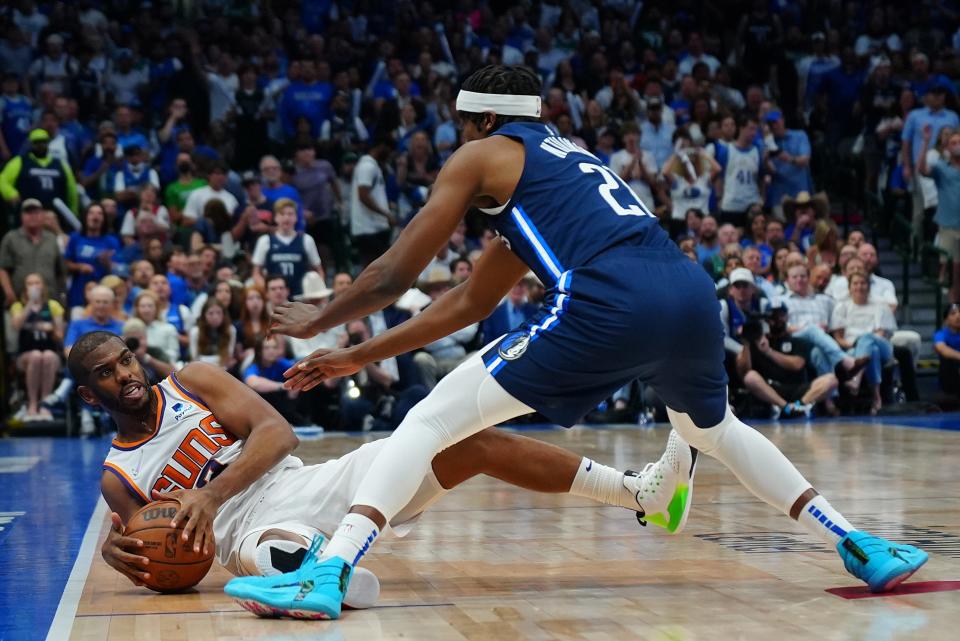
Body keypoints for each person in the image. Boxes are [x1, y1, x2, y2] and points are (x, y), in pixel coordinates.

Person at [259, 65, 925, 618]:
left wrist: (318, 320)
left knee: (429, 419)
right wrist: (355, 355)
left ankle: (329, 568)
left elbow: (395, 273)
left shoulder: (483, 154)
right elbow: (468, 301)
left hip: (611, 301)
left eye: (463, 125)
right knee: (717, 430)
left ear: (484, 120)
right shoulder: (562, 167)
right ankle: (856, 540)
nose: (457, 138)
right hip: (690, 293)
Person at [78, 330, 687, 609]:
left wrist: (208, 495)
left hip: (301, 480)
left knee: (469, 440)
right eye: (107, 373)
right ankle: (327, 576)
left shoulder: (194, 381)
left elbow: (277, 433)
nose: (126, 375)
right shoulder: (118, 476)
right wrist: (129, 559)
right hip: (243, 536)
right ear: (88, 395)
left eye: (126, 359)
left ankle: (638, 492)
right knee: (273, 558)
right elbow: (174, 563)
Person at [735, 302, 839, 419]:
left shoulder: (797, 339)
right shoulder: (758, 341)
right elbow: (743, 371)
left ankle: (797, 407)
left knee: (831, 380)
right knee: (750, 377)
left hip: (799, 389)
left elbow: (797, 365)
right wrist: (746, 343)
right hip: (772, 389)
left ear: (787, 317)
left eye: (781, 315)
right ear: (767, 318)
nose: (777, 319)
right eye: (773, 316)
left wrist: (769, 352)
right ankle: (785, 407)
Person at [830, 273, 898, 414]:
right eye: (855, 283)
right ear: (849, 288)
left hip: (882, 345)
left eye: (863, 283)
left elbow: (880, 334)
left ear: (869, 286)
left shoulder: (880, 305)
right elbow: (838, 337)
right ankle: (876, 397)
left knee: (867, 338)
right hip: (853, 349)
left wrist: (861, 342)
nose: (859, 287)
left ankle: (856, 377)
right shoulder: (842, 307)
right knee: (871, 351)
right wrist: (856, 346)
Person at [10, 273, 63, 421]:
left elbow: (59, 335)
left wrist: (51, 328)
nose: (34, 286)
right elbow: (16, 325)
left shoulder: (53, 305)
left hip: (49, 352)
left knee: (47, 355)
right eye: (30, 283)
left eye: (37, 283)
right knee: (35, 355)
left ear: (43, 286)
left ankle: (45, 403)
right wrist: (30, 303)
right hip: (25, 355)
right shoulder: (18, 306)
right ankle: (32, 403)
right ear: (25, 287)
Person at [251, 199, 324, 298]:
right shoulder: (265, 241)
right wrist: (268, 291)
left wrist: (316, 291)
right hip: (275, 300)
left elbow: (318, 270)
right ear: (275, 218)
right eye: (282, 214)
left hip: (301, 297)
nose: (286, 218)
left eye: (290, 214)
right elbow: (256, 273)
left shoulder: (307, 240)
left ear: (296, 217)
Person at [0, 198, 66, 306]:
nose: (33, 216)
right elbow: (3, 269)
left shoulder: (52, 239)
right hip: (19, 300)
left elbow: (60, 271)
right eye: (28, 213)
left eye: (36, 212)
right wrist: (8, 292)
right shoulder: (11, 238)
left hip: (50, 300)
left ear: (43, 215)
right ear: (22, 216)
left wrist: (62, 294)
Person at [0, 127, 78, 216]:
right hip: (27, 215)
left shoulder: (60, 164)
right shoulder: (20, 162)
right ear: (31, 144)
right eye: (37, 142)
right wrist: (10, 193)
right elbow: (2, 180)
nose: (40, 145)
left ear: (48, 143)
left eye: (43, 142)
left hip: (55, 216)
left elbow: (72, 190)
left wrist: (73, 212)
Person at [64, 203, 121, 309]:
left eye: (99, 214)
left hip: (104, 295)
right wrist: (80, 267)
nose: (95, 216)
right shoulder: (75, 238)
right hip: (78, 294)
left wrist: (106, 262)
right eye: (91, 213)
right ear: (85, 217)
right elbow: (66, 264)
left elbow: (118, 270)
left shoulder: (112, 241)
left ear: (104, 219)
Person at [934, 303, 960, 396]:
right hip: (950, 377)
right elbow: (941, 348)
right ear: (946, 320)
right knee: (947, 360)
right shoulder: (940, 334)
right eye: (953, 313)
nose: (958, 316)